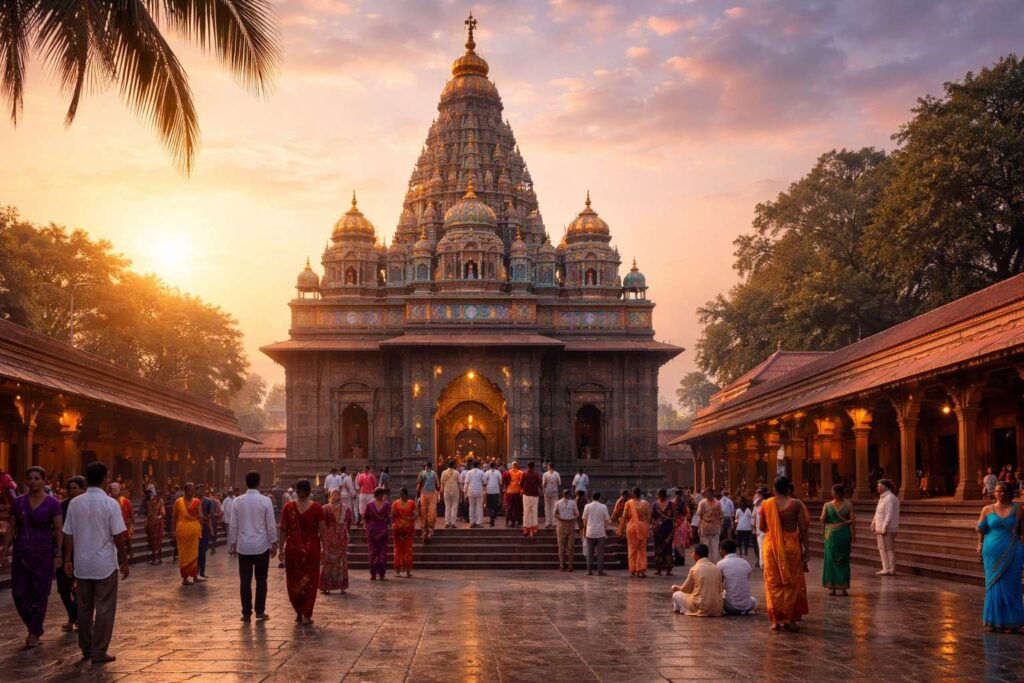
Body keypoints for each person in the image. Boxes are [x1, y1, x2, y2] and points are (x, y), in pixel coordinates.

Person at [62, 461, 129, 664]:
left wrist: (67, 559)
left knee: (84, 608)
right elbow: (119, 536)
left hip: (82, 564)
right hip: (105, 565)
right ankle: (99, 650)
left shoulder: (75, 503)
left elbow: (68, 534)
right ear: (105, 478)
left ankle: (86, 647)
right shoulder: (111, 504)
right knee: (105, 609)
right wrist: (124, 561)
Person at [0, 466, 63, 648]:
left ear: (44, 481)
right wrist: (4, 553)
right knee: (18, 594)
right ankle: (34, 626)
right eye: (30, 478)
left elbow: (58, 529)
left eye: (37, 478)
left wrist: (58, 552)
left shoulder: (52, 504)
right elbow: (12, 528)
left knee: (39, 594)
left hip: (44, 554)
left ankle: (33, 633)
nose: (33, 481)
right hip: (22, 554)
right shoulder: (18, 503)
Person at [759, 475, 809, 632]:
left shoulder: (766, 504)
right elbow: (803, 528)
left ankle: (776, 621)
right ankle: (791, 621)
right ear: (788, 489)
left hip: (771, 547)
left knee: (773, 583)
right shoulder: (796, 504)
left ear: (774, 489)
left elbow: (762, 527)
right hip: (791, 548)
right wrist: (807, 549)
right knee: (791, 583)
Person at [230, 470, 277, 623]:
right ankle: (260, 611)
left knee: (245, 580)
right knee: (261, 579)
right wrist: (274, 542)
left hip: (244, 546)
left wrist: (233, 542)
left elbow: (233, 525)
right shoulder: (265, 501)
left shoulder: (237, 501)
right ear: (259, 483)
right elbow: (270, 524)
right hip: (261, 545)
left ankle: (246, 613)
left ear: (246, 483)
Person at [976, 481, 1024, 632]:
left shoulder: (1018, 509)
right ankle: (994, 620)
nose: (1001, 494)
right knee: (993, 585)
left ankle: (1013, 622)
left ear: (1010, 492)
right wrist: (979, 544)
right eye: (998, 491)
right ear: (994, 493)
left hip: (1013, 549)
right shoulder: (987, 509)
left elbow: (1022, 531)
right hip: (992, 550)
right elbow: (981, 529)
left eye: (1004, 491)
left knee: (1012, 585)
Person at [278, 479, 324, 624]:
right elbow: (322, 530)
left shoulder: (288, 507)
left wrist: (280, 549)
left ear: (296, 490)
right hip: (312, 549)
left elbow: (283, 530)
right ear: (310, 491)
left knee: (294, 580)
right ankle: (306, 613)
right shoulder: (317, 508)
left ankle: (299, 612)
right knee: (310, 580)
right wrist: (325, 548)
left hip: (293, 549)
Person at [55, 476, 85, 633]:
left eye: (75, 488)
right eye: (70, 488)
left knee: (81, 588)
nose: (72, 491)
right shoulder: (62, 506)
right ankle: (74, 615)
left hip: (82, 551)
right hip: (65, 551)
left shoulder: (85, 506)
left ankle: (76, 618)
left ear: (82, 490)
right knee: (63, 588)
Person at [820, 484, 855, 596]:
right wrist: (848, 528)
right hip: (844, 533)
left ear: (838, 493)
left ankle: (832, 587)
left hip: (832, 534)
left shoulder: (827, 505)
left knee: (832, 560)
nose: (832, 494)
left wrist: (823, 522)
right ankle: (843, 587)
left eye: (834, 492)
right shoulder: (848, 504)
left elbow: (822, 519)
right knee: (843, 560)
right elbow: (852, 521)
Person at [671, 543, 723, 617]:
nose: (691, 555)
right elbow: (720, 588)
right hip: (717, 606)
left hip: (700, 605)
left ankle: (679, 609)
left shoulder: (695, 569)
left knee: (676, 594)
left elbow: (685, 589)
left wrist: (676, 588)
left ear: (696, 554)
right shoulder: (716, 568)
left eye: (692, 552)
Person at [320, 488, 354, 594]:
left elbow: (348, 523)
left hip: (335, 537)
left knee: (335, 561)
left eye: (336, 495)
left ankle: (332, 586)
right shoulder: (344, 508)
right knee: (335, 561)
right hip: (335, 537)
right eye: (335, 495)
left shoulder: (326, 508)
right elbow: (349, 522)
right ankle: (335, 586)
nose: (335, 497)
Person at [172, 482, 204, 585]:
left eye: (193, 489)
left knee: (194, 554)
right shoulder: (178, 502)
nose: (191, 491)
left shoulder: (197, 502)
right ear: (185, 491)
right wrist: (173, 530)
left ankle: (195, 576)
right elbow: (174, 517)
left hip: (194, 531)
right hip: (182, 531)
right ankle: (185, 578)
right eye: (189, 489)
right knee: (183, 555)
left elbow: (200, 515)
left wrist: (199, 521)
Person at [618, 487, 651, 578]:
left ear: (633, 494)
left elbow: (624, 517)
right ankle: (641, 570)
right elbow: (649, 517)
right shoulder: (646, 503)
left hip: (632, 527)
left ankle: (633, 569)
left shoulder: (628, 503)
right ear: (640, 494)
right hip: (643, 527)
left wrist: (620, 529)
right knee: (642, 549)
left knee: (632, 549)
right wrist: (648, 528)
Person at [718, 539, 756, 615]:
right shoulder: (745, 562)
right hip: (747, 606)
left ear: (723, 550)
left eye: (720, 549)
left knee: (717, 599)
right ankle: (744, 609)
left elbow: (718, 585)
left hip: (730, 607)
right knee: (753, 600)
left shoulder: (721, 564)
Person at [871, 478, 900, 576]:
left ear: (884, 486)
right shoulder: (882, 497)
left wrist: (884, 527)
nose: (877, 487)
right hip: (880, 527)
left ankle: (891, 568)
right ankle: (886, 568)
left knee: (889, 548)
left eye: (879, 486)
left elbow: (889, 513)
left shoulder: (890, 498)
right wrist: (873, 522)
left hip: (888, 528)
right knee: (882, 548)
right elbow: (878, 512)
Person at [364, 487, 391, 580]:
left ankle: (382, 573)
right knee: (372, 553)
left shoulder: (387, 505)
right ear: (376, 495)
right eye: (379, 494)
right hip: (372, 530)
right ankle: (373, 573)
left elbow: (389, 517)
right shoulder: (369, 505)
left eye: (382, 494)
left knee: (382, 553)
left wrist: (388, 524)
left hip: (383, 530)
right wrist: (367, 528)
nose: (381, 496)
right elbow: (365, 517)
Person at [582, 491, 611, 576]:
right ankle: (600, 571)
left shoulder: (587, 506)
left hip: (590, 532)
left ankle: (589, 570)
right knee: (600, 553)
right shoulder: (603, 507)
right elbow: (606, 521)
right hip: (600, 532)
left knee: (590, 552)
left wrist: (586, 528)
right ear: (599, 498)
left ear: (591, 497)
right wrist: (604, 529)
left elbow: (584, 520)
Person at [651, 488, 676, 576]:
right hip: (665, 529)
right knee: (667, 548)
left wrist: (655, 523)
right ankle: (667, 570)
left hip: (660, 529)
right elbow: (675, 517)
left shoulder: (655, 505)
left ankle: (660, 570)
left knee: (660, 548)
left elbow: (652, 518)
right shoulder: (671, 504)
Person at [553, 489, 579, 571]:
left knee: (568, 546)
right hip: (562, 524)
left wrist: (571, 519)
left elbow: (577, 514)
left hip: (568, 524)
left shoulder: (572, 503)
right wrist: (562, 519)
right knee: (563, 546)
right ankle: (562, 565)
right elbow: (555, 513)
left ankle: (569, 565)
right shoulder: (558, 503)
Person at [392, 487, 416, 577]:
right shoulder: (395, 504)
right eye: (401, 495)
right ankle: (398, 570)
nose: (403, 496)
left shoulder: (411, 503)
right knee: (398, 550)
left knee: (408, 550)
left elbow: (416, 514)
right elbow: (393, 515)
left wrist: (411, 519)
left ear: (407, 495)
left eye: (404, 495)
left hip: (408, 530)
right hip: (397, 529)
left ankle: (408, 571)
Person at [696, 488, 724, 562]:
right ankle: (706, 563)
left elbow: (721, 515)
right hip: (705, 527)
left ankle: (714, 564)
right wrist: (699, 527)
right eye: (706, 493)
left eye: (709, 493)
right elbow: (699, 516)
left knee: (715, 548)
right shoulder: (702, 503)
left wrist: (720, 526)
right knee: (705, 547)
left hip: (715, 527)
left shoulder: (718, 503)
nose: (708, 495)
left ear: (712, 493)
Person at [109, 483, 133, 562]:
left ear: (120, 490)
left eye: (116, 489)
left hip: (123, 527)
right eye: (112, 489)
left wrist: (129, 524)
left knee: (123, 544)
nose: (114, 491)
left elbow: (131, 516)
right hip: (110, 527)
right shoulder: (107, 501)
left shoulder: (126, 501)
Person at [197, 484, 216, 578]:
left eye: (202, 489)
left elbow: (210, 516)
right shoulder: (194, 501)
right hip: (195, 526)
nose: (201, 491)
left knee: (203, 550)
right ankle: (195, 570)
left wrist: (211, 530)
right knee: (195, 550)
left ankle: (202, 571)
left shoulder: (208, 501)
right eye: (199, 489)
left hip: (204, 527)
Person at [416, 461, 439, 541]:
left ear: (428, 466)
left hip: (431, 494)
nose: (426, 468)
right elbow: (419, 484)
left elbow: (437, 484)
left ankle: (430, 529)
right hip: (425, 494)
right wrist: (418, 494)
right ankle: (425, 529)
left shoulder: (433, 473)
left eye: (426, 466)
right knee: (425, 512)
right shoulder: (422, 473)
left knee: (431, 512)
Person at [521, 461, 543, 537]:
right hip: (535, 494)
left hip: (526, 494)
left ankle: (526, 528)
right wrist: (541, 492)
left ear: (528, 466)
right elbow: (540, 484)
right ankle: (534, 528)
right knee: (534, 511)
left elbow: (520, 483)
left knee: (526, 511)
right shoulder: (537, 474)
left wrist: (522, 489)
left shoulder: (524, 474)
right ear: (534, 467)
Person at [144, 488, 165, 564]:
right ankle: (155, 558)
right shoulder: (149, 502)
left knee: (158, 541)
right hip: (151, 523)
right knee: (153, 541)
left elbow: (162, 513)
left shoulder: (161, 501)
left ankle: (158, 558)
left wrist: (159, 517)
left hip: (158, 524)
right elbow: (149, 513)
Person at [671, 488, 690, 567]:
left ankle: (679, 560)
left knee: (677, 542)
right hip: (683, 523)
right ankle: (682, 560)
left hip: (676, 523)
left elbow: (672, 513)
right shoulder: (684, 502)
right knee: (682, 542)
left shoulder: (673, 502)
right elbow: (687, 512)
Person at [440, 461, 461, 529]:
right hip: (455, 490)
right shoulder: (457, 472)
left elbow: (442, 482)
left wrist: (442, 489)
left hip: (447, 490)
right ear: (454, 465)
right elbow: (459, 482)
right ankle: (453, 523)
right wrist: (461, 490)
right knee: (454, 507)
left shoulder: (444, 472)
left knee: (447, 507)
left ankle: (447, 523)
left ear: (448, 465)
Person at [503, 461, 524, 528]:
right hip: (517, 492)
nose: (514, 467)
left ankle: (509, 521)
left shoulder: (508, 472)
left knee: (510, 507)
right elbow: (522, 483)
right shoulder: (520, 472)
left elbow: (504, 482)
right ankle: (517, 521)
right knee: (517, 508)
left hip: (510, 491)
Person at [542, 464, 561, 529]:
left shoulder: (545, 474)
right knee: (552, 507)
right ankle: (552, 522)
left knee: (548, 507)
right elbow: (559, 483)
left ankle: (549, 522)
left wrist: (544, 490)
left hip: (549, 491)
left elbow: (544, 484)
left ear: (549, 467)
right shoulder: (556, 474)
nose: (547, 467)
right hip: (552, 491)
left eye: (547, 466)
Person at [484, 461, 502, 527]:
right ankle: (493, 516)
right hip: (496, 491)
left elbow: (484, 481)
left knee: (490, 505)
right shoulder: (498, 472)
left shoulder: (486, 472)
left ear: (489, 466)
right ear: (495, 466)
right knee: (495, 505)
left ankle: (491, 517)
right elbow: (500, 482)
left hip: (489, 491)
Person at [222, 487, 237, 555]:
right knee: (229, 534)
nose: (231, 494)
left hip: (235, 520)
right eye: (229, 493)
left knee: (234, 534)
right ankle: (230, 548)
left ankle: (234, 548)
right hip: (227, 520)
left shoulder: (236, 499)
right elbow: (222, 508)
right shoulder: (226, 500)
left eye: (231, 493)